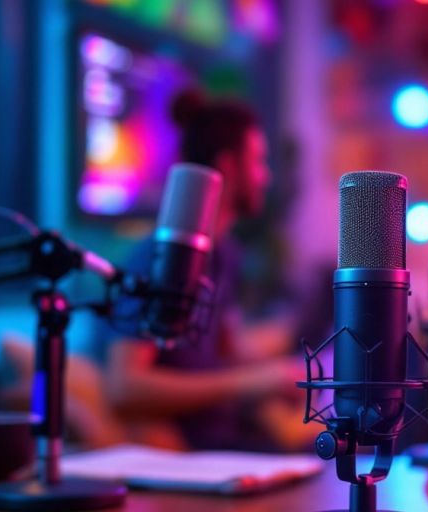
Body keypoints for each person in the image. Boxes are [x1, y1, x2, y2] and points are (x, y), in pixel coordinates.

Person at [104, 90, 317, 452]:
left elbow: (227, 349)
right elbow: (124, 385)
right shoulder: (160, 260)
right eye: (259, 161)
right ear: (229, 166)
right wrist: (248, 383)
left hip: (230, 433)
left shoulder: (225, 254)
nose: (266, 177)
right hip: (198, 450)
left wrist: (302, 372)